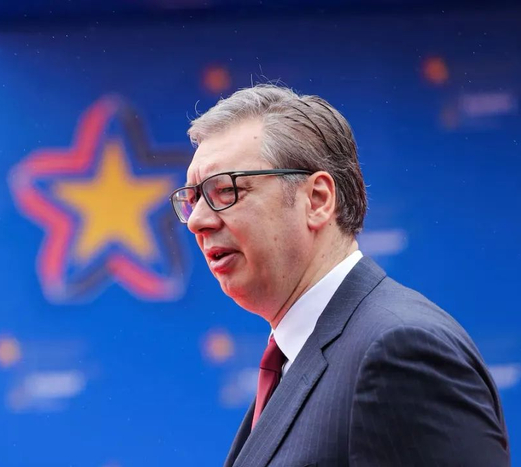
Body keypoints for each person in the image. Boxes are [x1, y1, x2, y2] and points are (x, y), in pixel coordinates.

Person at [169, 84, 510, 467]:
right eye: (193, 199)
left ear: (317, 200)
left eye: (226, 190)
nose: (197, 221)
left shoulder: (401, 353)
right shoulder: (298, 359)